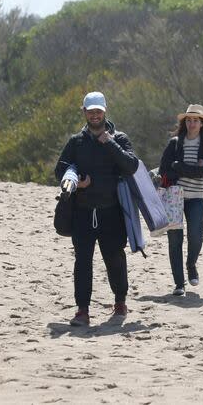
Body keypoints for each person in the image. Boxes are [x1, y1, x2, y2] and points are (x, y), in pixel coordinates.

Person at [54, 91, 139, 326]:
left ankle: (120, 301)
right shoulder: (76, 142)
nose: (94, 115)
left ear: (105, 112)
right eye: (90, 111)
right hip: (82, 211)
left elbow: (131, 166)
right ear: (84, 112)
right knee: (82, 261)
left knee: (115, 258)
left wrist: (109, 142)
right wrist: (75, 182)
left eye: (98, 111)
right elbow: (59, 170)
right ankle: (82, 310)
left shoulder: (119, 138)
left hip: (111, 211)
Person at [158, 104, 203, 296]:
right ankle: (179, 283)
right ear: (185, 123)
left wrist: (179, 166)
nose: (192, 123)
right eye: (189, 120)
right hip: (174, 196)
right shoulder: (174, 143)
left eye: (195, 120)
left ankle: (191, 264)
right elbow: (164, 169)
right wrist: (191, 168)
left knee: (196, 237)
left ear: (202, 124)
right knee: (174, 240)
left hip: (197, 196)